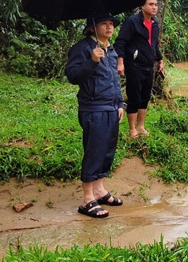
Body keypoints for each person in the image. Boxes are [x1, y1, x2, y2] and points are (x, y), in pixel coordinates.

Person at [65, 13, 125, 219]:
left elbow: (114, 80)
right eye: (104, 24)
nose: (109, 28)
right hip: (93, 107)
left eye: (112, 24)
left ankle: (99, 190)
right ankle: (87, 199)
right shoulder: (81, 48)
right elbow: (72, 76)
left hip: (110, 107)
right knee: (94, 150)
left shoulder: (110, 49)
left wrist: (119, 103)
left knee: (107, 150)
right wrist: (91, 61)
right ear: (92, 27)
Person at [114, 0, 164, 138]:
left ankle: (141, 126)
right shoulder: (132, 22)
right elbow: (120, 42)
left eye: (156, 4)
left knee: (145, 96)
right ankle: (132, 130)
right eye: (151, 4)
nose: (154, 7)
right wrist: (120, 62)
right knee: (134, 97)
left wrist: (160, 60)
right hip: (134, 65)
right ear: (143, 6)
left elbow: (154, 45)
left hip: (149, 66)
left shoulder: (155, 25)